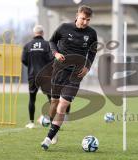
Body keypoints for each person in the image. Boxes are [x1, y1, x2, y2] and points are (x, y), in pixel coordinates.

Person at [41, 5, 97, 150]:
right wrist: (56, 54)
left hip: (76, 74)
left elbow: (92, 52)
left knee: (63, 105)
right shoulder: (64, 28)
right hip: (59, 71)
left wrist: (88, 66)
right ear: (77, 15)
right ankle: (53, 127)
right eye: (83, 18)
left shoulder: (92, 33)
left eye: (88, 20)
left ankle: (48, 137)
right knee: (54, 103)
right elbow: (52, 41)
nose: (85, 22)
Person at [22, 25, 53, 129]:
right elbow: (51, 59)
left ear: (34, 33)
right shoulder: (47, 45)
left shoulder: (27, 45)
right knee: (51, 100)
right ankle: (53, 124)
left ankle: (31, 122)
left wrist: (31, 67)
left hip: (32, 76)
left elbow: (23, 60)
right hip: (45, 76)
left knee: (32, 99)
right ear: (42, 33)